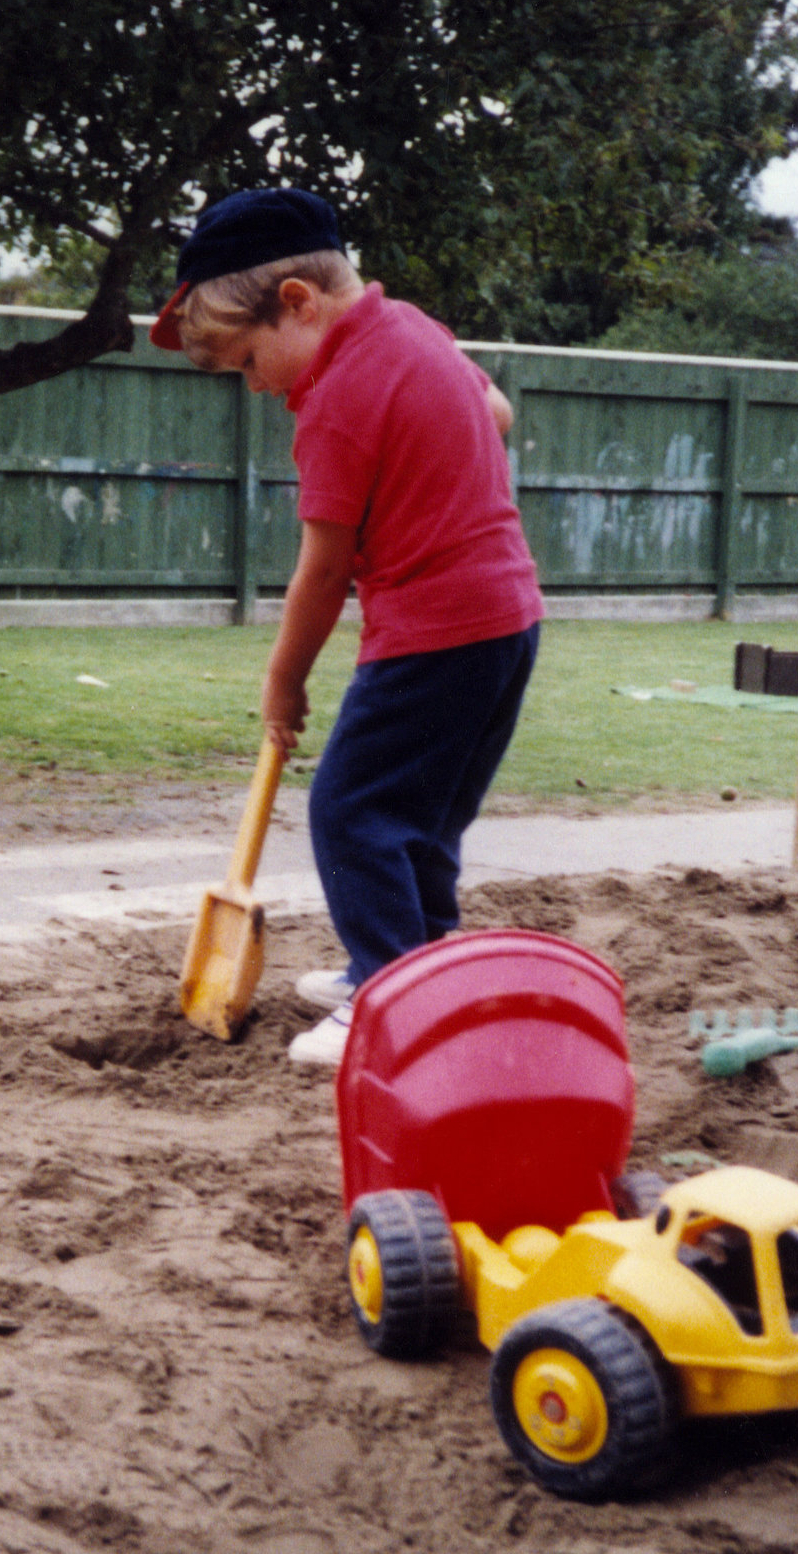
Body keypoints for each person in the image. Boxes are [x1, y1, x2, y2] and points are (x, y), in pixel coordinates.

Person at [152, 187, 542, 1066]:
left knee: (351, 808)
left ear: (297, 303)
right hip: (508, 623)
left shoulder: (335, 401)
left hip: (434, 630)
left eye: (248, 360)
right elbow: (496, 412)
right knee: (423, 820)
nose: (254, 386)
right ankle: (418, 966)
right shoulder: (410, 328)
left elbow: (323, 572)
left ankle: (387, 987)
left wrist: (284, 679)